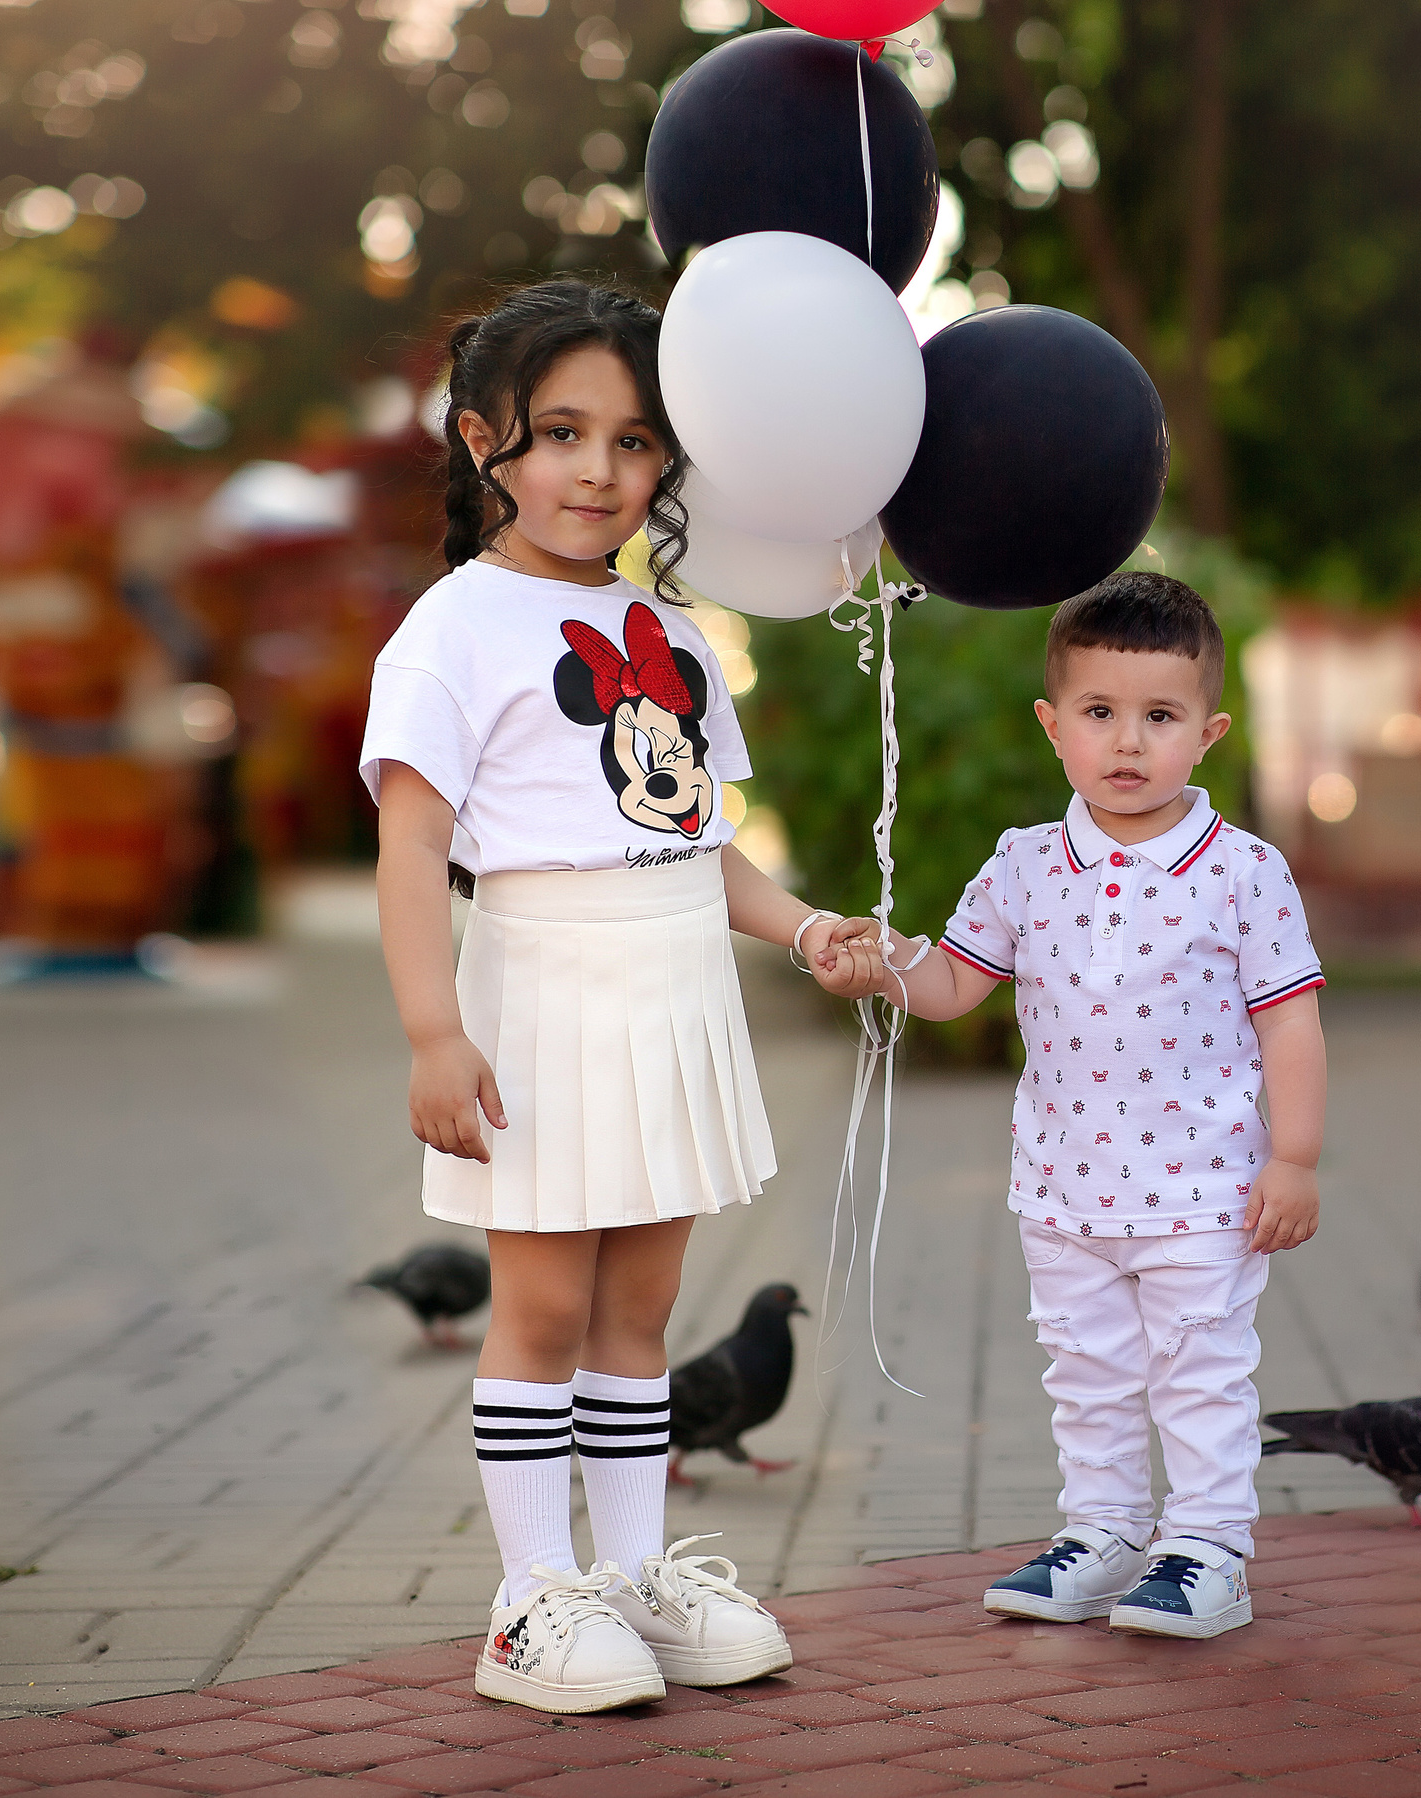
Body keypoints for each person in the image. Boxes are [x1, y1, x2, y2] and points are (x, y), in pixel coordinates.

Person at [360, 279, 883, 1714]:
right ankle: (531, 1603)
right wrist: (431, 1030)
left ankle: (639, 1575)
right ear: (485, 442)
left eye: (637, 439)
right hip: (541, 991)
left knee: (643, 1307)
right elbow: (408, 845)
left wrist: (811, 927)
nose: (600, 469)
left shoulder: (684, 636)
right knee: (536, 1307)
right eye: (561, 432)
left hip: (675, 992)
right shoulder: (451, 631)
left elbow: (705, 846)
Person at [868, 572, 1327, 1640]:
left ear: (1207, 732)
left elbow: (1289, 1022)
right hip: (1062, 1188)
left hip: (1203, 1193)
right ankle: (1106, 1530)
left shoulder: (1243, 874)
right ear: (1053, 725)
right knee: (1089, 1376)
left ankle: (1208, 1547)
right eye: (1100, 714)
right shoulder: (1026, 865)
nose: (1129, 743)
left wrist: (1293, 1157)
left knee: (1200, 1376)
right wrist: (883, 963)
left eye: (1159, 718)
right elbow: (951, 986)